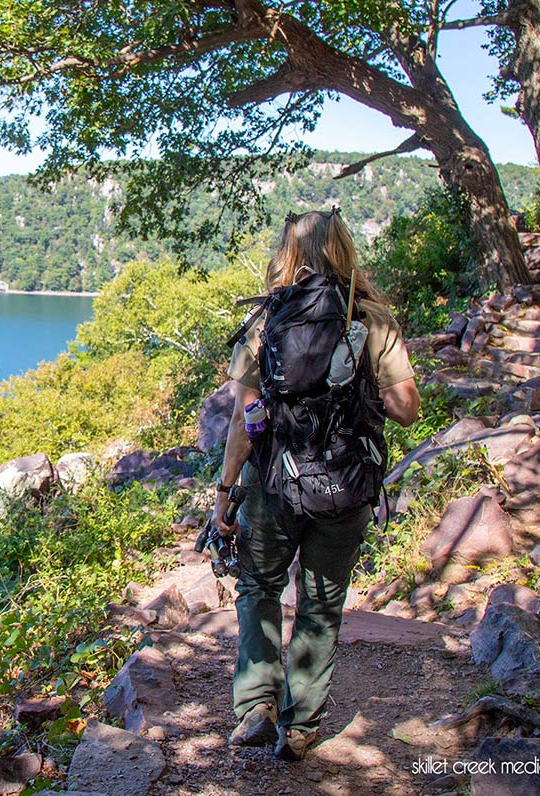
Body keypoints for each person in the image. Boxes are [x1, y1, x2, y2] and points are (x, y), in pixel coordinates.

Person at [212, 208, 420, 762]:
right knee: (321, 603)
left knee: (258, 587)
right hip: (345, 484)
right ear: (345, 250)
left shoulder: (265, 322)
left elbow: (243, 420)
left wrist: (225, 494)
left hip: (275, 483)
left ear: (288, 254)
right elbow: (407, 410)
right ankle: (300, 725)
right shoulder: (371, 316)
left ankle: (256, 703)